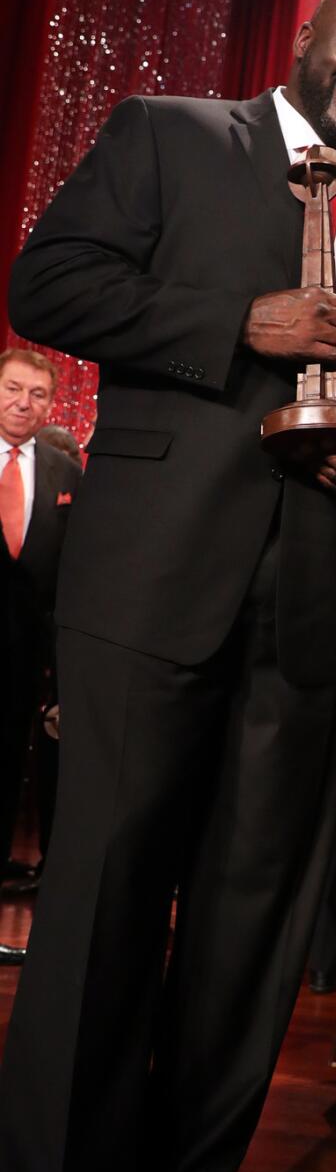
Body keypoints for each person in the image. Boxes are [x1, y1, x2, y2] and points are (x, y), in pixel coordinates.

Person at [0, 0, 336, 1172]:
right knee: (103, 900)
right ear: (305, 48)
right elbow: (46, 283)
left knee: (251, 916)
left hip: (309, 602)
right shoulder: (169, 136)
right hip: (147, 582)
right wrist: (233, 323)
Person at [1, 350, 82, 957]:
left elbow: (71, 570)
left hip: (30, 658)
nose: (22, 403)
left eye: (36, 394)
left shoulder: (63, 470)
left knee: (10, 781)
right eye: (11, 388)